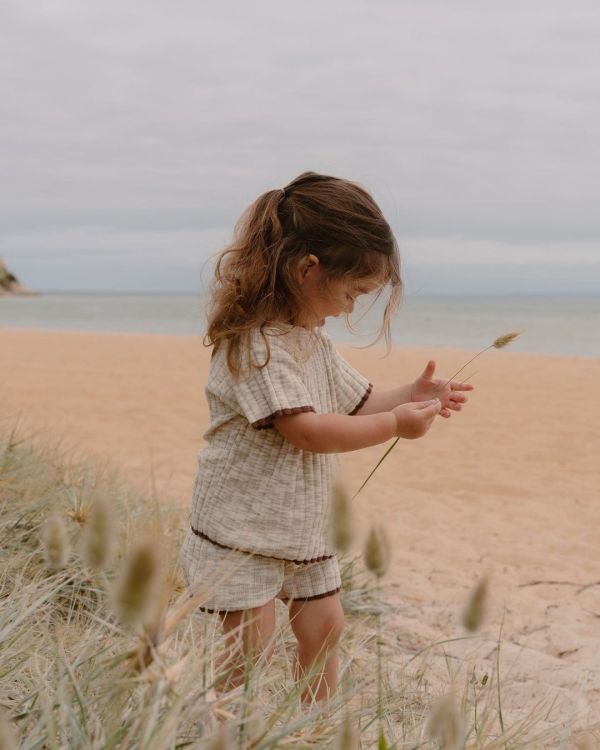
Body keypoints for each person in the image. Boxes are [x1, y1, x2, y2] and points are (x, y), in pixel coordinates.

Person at [179, 171, 473, 705]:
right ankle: (226, 730)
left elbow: (358, 401)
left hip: (304, 528)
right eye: (351, 291)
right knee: (249, 650)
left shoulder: (309, 341)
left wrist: (412, 393)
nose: (350, 307)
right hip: (243, 531)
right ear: (306, 269)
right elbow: (308, 431)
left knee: (325, 629)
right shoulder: (257, 347)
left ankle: (312, 726)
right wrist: (395, 428)